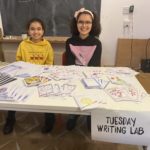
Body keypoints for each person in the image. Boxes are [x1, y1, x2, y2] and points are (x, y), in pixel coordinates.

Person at [3, 18, 55, 134]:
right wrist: (25, 74)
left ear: (43, 31)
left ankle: (50, 119)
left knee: (48, 95)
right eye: (32, 29)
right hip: (25, 76)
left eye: (39, 29)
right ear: (28, 31)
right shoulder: (23, 44)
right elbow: (18, 61)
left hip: (41, 77)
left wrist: (40, 76)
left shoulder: (47, 46)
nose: (36, 32)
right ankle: (10, 119)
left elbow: (49, 63)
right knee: (13, 92)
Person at [65, 8, 102, 131]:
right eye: (81, 22)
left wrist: (86, 77)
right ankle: (73, 115)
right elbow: (70, 65)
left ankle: (90, 116)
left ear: (93, 24)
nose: (84, 25)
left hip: (90, 77)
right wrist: (77, 76)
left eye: (88, 22)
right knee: (75, 93)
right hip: (74, 76)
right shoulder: (69, 41)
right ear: (76, 24)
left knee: (91, 93)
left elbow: (94, 67)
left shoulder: (97, 43)